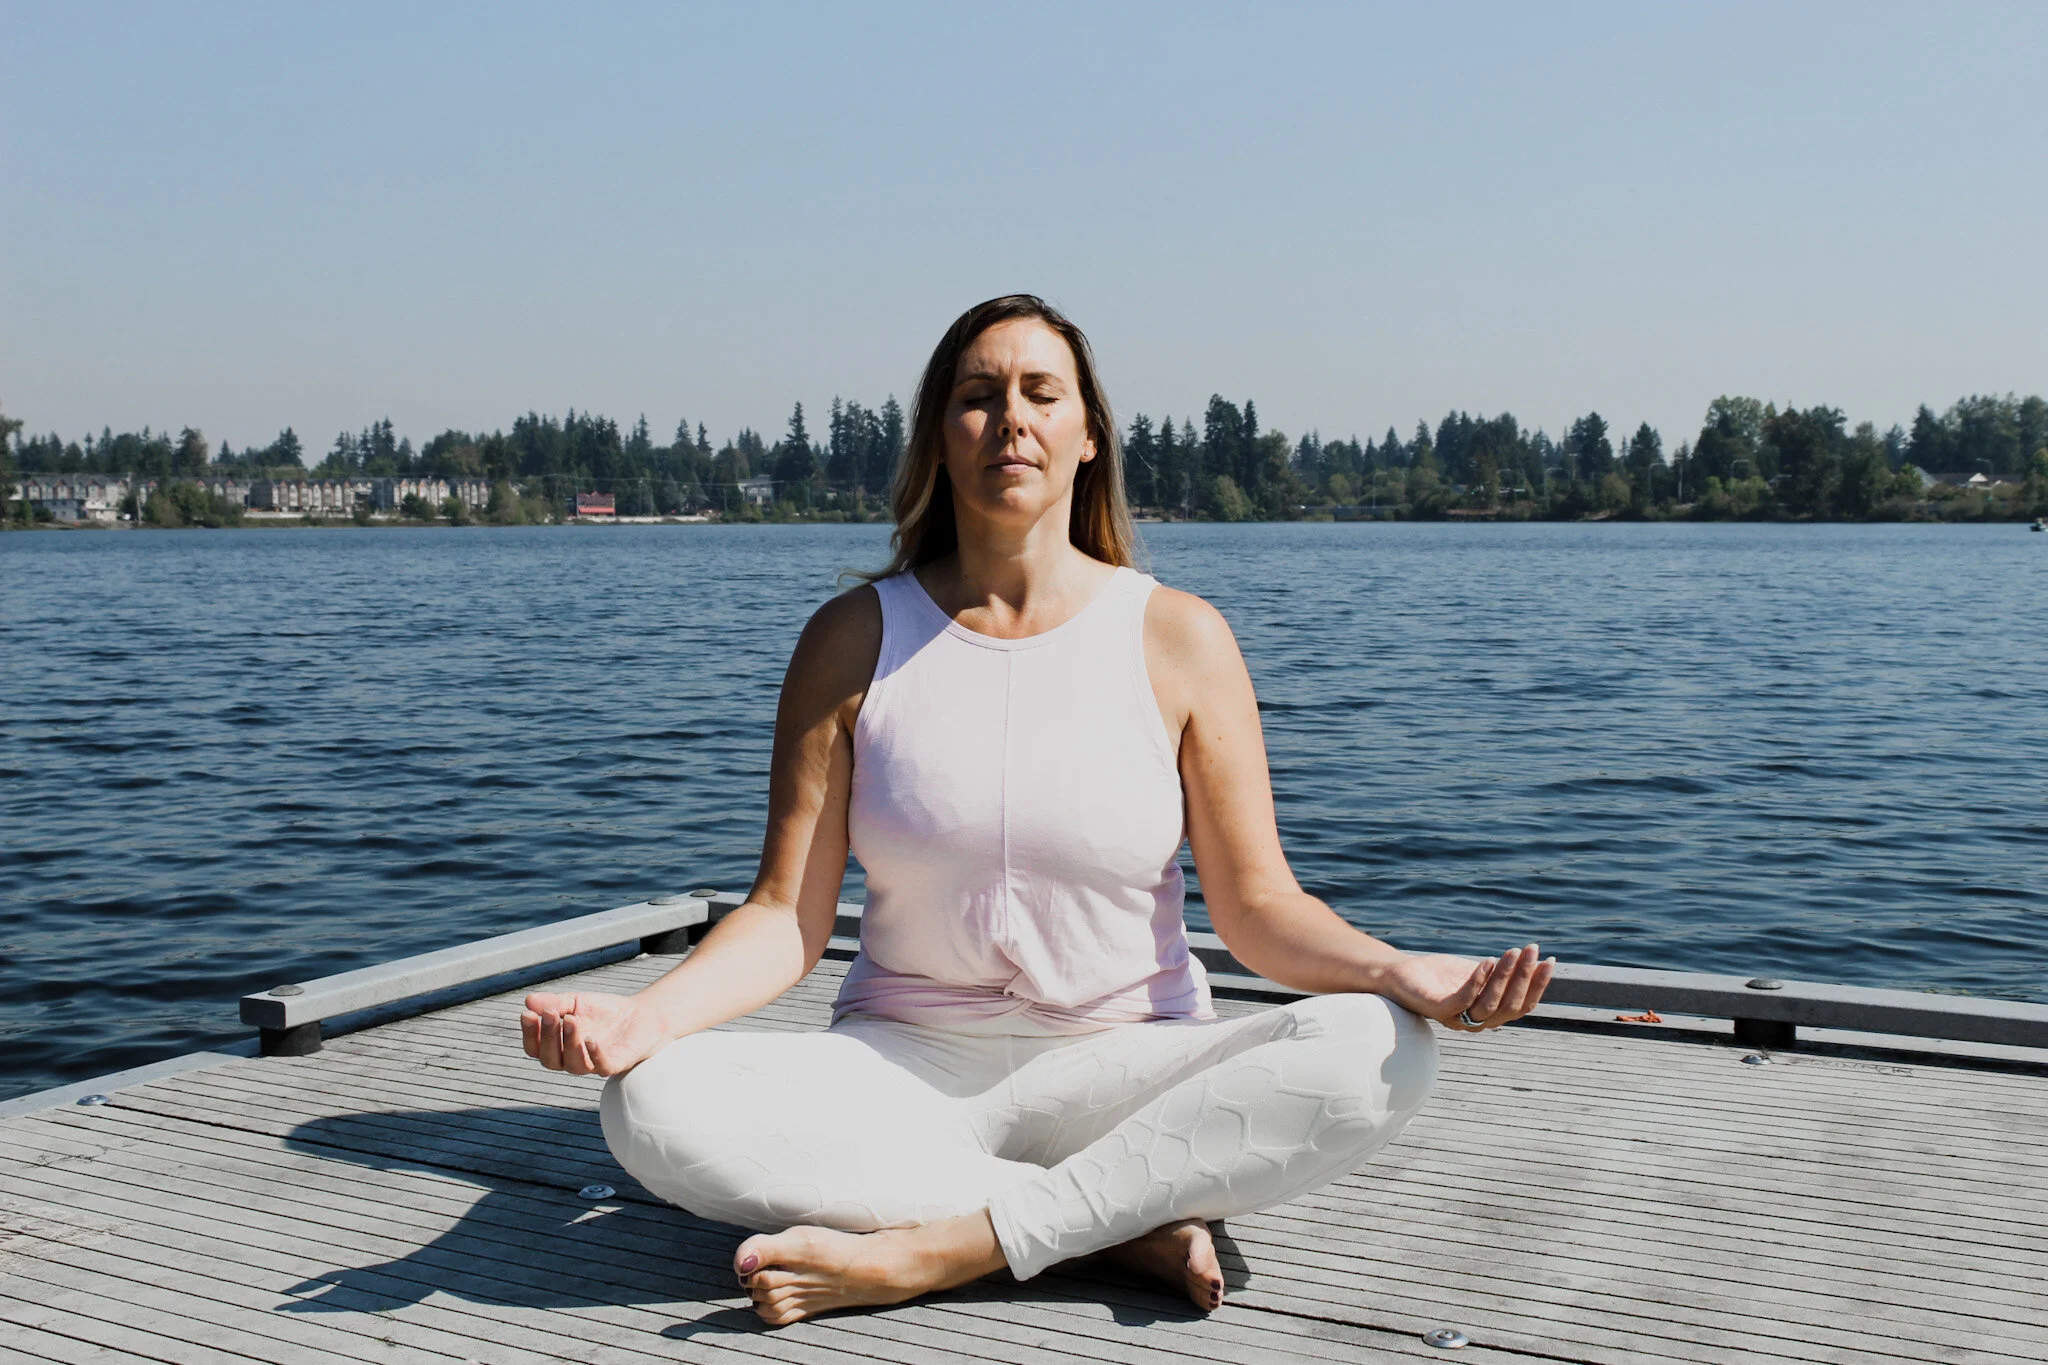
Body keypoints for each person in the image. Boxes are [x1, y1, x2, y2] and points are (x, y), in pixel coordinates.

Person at [521, 294, 1555, 1327]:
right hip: (904, 1063)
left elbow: (1256, 908)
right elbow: (784, 916)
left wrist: (1399, 971)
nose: (1009, 417)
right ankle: (1113, 1221)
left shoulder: (1179, 638)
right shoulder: (850, 639)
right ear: (939, 439)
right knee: (650, 1105)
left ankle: (936, 1249)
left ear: (1085, 436)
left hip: (1128, 1061)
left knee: (1381, 1046)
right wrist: (644, 1019)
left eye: (1038, 393)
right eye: (976, 397)